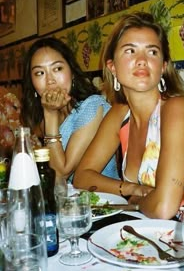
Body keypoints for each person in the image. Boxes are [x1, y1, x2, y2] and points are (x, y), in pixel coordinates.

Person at [73, 11, 184, 220]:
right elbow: (82, 177)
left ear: (163, 67)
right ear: (112, 67)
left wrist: (136, 202)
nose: (142, 60)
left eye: (152, 52)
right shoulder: (120, 114)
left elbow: (164, 208)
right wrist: (130, 189)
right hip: (157, 235)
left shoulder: (178, 109)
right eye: (130, 50)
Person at [21, 37, 120, 182]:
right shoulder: (41, 116)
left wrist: (50, 114)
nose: (50, 80)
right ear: (32, 82)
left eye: (57, 69)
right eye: (40, 73)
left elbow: (61, 174)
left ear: (72, 72)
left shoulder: (92, 106)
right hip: (66, 202)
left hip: (104, 201)